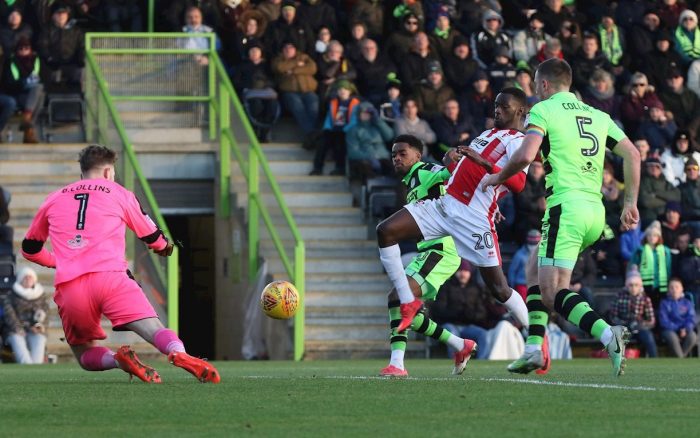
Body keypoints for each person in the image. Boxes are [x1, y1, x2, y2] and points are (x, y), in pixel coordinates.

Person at [481, 58, 641, 377]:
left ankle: (609, 335)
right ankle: (533, 349)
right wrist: (629, 203)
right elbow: (633, 155)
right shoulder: (598, 115)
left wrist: (496, 178)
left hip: (565, 209)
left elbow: (526, 155)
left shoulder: (544, 110)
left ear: (543, 85)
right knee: (533, 268)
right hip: (594, 213)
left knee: (553, 294)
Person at [21, 145, 220, 383]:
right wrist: (165, 247)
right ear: (107, 172)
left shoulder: (53, 199)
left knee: (84, 354)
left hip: (71, 286)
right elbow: (152, 237)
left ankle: (118, 360)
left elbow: (30, 250)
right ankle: (179, 353)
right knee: (155, 330)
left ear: (82, 170)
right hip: (112, 279)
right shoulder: (119, 193)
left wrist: (60, 262)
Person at [375, 87, 531, 371]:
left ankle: (535, 337)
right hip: (443, 220)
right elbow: (459, 171)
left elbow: (513, 182)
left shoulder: (519, 141)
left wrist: (469, 166)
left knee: (499, 288)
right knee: (388, 249)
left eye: (402, 153)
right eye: (495, 105)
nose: (496, 110)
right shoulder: (485, 134)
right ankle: (456, 345)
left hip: (459, 230)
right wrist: (453, 158)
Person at [380, 135, 475, 377]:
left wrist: (454, 158)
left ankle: (398, 364)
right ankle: (459, 344)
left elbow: (449, 174)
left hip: (441, 250)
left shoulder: (424, 171)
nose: (397, 158)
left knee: (400, 297)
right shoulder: (411, 181)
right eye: (394, 155)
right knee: (398, 301)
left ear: (418, 156)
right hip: (431, 251)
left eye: (403, 153)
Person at [309, 80, 360, 176]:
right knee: (322, 143)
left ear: (350, 91)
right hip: (334, 128)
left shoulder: (355, 103)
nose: (342, 91)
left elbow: (355, 120)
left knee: (339, 144)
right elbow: (329, 117)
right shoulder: (334, 102)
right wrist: (327, 128)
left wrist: (345, 129)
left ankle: (340, 168)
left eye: (345, 89)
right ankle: (317, 168)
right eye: (340, 89)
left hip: (347, 130)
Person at [1, 267, 49, 364]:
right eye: (25, 277)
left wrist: (38, 326)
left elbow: (44, 314)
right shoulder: (10, 296)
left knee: (39, 339)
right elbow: (9, 316)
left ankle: (36, 369)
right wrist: (19, 328)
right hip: (15, 330)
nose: (28, 279)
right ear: (20, 280)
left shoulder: (41, 295)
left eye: (30, 277)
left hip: (34, 330)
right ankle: (27, 366)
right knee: (18, 341)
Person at [271, 40, 319, 136]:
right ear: (283, 51)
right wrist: (297, 63)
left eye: (291, 48)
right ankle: (311, 134)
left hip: (308, 91)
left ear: (295, 49)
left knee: (313, 106)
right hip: (290, 92)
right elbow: (280, 67)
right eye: (286, 48)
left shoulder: (304, 57)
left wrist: (293, 71)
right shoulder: (278, 60)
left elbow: (312, 68)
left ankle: (311, 133)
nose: (288, 50)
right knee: (298, 107)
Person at [0, 37, 43, 144]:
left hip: (23, 94)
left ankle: (27, 124)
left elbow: (44, 79)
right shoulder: (10, 61)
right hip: (11, 92)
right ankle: (28, 129)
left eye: (26, 48)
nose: (24, 50)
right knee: (11, 103)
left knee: (39, 92)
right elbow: (8, 83)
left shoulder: (37, 60)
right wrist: (24, 82)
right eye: (21, 48)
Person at [610, 270, 658, 357]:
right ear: (627, 285)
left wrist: (640, 324)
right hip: (624, 326)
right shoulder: (619, 297)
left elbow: (651, 320)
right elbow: (613, 317)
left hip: (639, 327)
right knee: (618, 338)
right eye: (631, 285)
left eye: (636, 285)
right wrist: (623, 324)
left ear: (640, 286)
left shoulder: (645, 299)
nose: (633, 288)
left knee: (648, 337)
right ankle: (617, 363)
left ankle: (654, 359)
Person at [630, 220, 672, 310]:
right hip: (645, 283)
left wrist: (668, 281)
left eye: (655, 235)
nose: (652, 238)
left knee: (660, 306)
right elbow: (633, 266)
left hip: (660, 284)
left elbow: (668, 267)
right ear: (646, 237)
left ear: (658, 237)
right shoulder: (639, 250)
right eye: (649, 235)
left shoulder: (665, 251)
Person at [659, 278, 698, 357]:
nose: (674, 290)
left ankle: (680, 358)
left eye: (677, 287)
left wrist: (685, 328)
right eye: (671, 287)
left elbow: (691, 318)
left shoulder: (687, 303)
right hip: (669, 330)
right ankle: (681, 360)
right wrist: (678, 329)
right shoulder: (664, 303)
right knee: (672, 338)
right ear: (668, 290)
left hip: (684, 330)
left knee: (693, 336)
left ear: (682, 289)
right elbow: (664, 321)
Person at [639, 157, 681, 227]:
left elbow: (677, 196)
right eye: (651, 166)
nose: (654, 168)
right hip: (649, 217)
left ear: (661, 169)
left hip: (666, 217)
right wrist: (666, 200)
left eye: (657, 166)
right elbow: (645, 201)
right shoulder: (641, 182)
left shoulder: (666, 183)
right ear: (647, 168)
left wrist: (656, 194)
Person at [508, 229, 541, 300]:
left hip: (537, 286)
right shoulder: (519, 254)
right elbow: (512, 271)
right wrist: (512, 287)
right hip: (522, 285)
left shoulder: (542, 255)